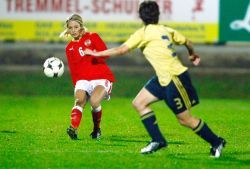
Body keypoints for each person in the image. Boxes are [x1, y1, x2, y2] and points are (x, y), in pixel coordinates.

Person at [84, 1, 226, 157]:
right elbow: (188, 42)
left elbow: (121, 50)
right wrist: (192, 54)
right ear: (158, 15)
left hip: (174, 77)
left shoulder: (143, 33)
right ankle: (158, 140)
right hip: (163, 77)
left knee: (185, 120)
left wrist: (96, 53)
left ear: (140, 16)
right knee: (139, 102)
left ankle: (216, 141)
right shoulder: (166, 29)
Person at [60, 14, 115, 140]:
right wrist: (77, 86)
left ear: (81, 27)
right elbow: (73, 70)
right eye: (70, 28)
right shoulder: (69, 48)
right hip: (83, 80)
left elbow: (106, 55)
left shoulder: (92, 37)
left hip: (101, 76)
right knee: (79, 101)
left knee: (94, 102)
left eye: (76, 27)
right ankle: (73, 129)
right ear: (67, 29)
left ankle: (96, 129)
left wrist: (93, 53)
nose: (73, 30)